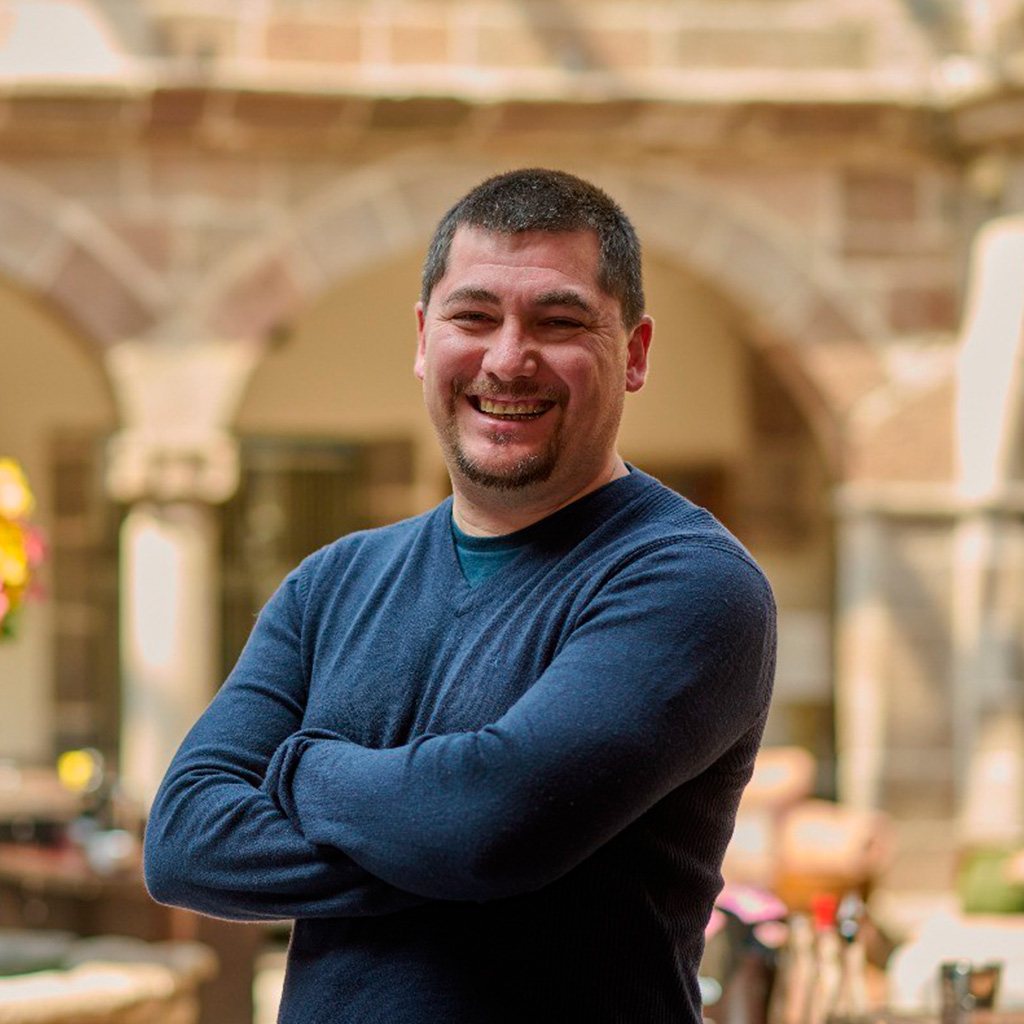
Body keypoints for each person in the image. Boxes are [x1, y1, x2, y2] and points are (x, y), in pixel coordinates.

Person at [144, 168, 777, 1024]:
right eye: (473, 317)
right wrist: (461, 847)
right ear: (422, 338)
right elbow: (184, 840)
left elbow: (488, 824)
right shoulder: (331, 583)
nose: (507, 360)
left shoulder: (689, 582)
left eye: (558, 322)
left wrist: (299, 765)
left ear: (633, 353)